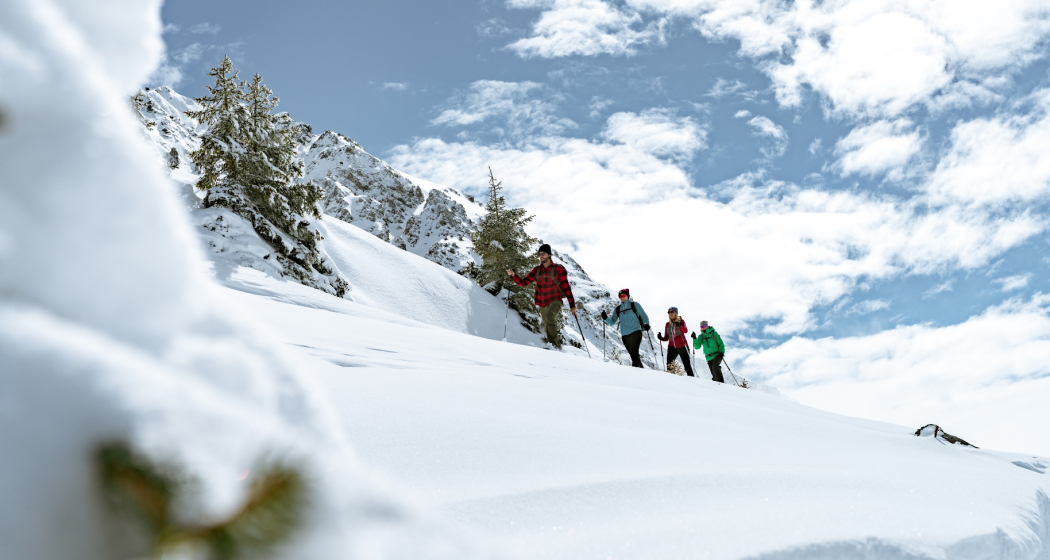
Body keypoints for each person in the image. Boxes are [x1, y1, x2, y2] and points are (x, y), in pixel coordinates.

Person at [507, 243, 576, 349]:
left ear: (549, 254)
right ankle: (556, 348)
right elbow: (523, 283)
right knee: (547, 324)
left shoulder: (558, 269)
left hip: (555, 300)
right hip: (543, 302)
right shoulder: (537, 270)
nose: (541, 256)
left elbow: (567, 288)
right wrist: (513, 275)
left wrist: (572, 305)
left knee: (550, 317)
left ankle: (553, 346)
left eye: (543, 254)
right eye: (539, 254)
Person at [600, 288, 650, 368]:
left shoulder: (635, 305)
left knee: (634, 353)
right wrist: (605, 318)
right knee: (633, 356)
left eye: (623, 295)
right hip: (625, 335)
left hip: (636, 332)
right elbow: (612, 321)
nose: (622, 297)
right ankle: (642, 373)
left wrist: (647, 324)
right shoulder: (618, 309)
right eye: (620, 296)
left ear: (627, 296)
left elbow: (643, 315)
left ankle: (635, 375)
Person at [657, 307, 694, 376]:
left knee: (687, 366)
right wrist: (660, 338)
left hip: (682, 346)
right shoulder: (667, 324)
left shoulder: (681, 321)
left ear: (676, 313)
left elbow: (685, 330)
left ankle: (693, 382)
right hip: (672, 347)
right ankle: (672, 383)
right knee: (669, 366)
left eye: (672, 312)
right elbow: (666, 338)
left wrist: (679, 325)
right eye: (669, 312)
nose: (670, 313)